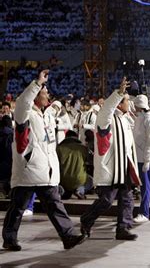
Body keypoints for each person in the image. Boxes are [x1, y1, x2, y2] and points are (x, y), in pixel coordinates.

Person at [2, 70, 86, 251]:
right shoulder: (24, 114)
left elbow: (60, 121)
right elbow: (24, 101)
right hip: (28, 171)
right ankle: (9, 238)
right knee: (17, 208)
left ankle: (68, 235)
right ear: (35, 96)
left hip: (44, 171)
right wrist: (37, 83)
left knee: (55, 205)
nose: (47, 95)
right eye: (44, 93)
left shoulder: (45, 115)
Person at [80, 77, 141, 240]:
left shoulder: (125, 118)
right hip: (112, 168)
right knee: (106, 200)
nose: (129, 103)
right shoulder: (106, 118)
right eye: (127, 100)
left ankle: (123, 228)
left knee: (127, 198)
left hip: (124, 166)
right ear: (119, 103)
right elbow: (107, 109)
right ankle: (86, 219)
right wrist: (118, 93)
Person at [132, 94, 150, 223]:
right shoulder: (141, 118)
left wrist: (148, 160)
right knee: (140, 186)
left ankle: (144, 212)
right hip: (137, 155)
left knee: (146, 186)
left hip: (143, 158)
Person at [57, 130, 89, 200]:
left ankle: (62, 191)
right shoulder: (83, 148)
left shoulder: (59, 148)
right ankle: (80, 190)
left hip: (63, 180)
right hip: (80, 180)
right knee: (91, 180)